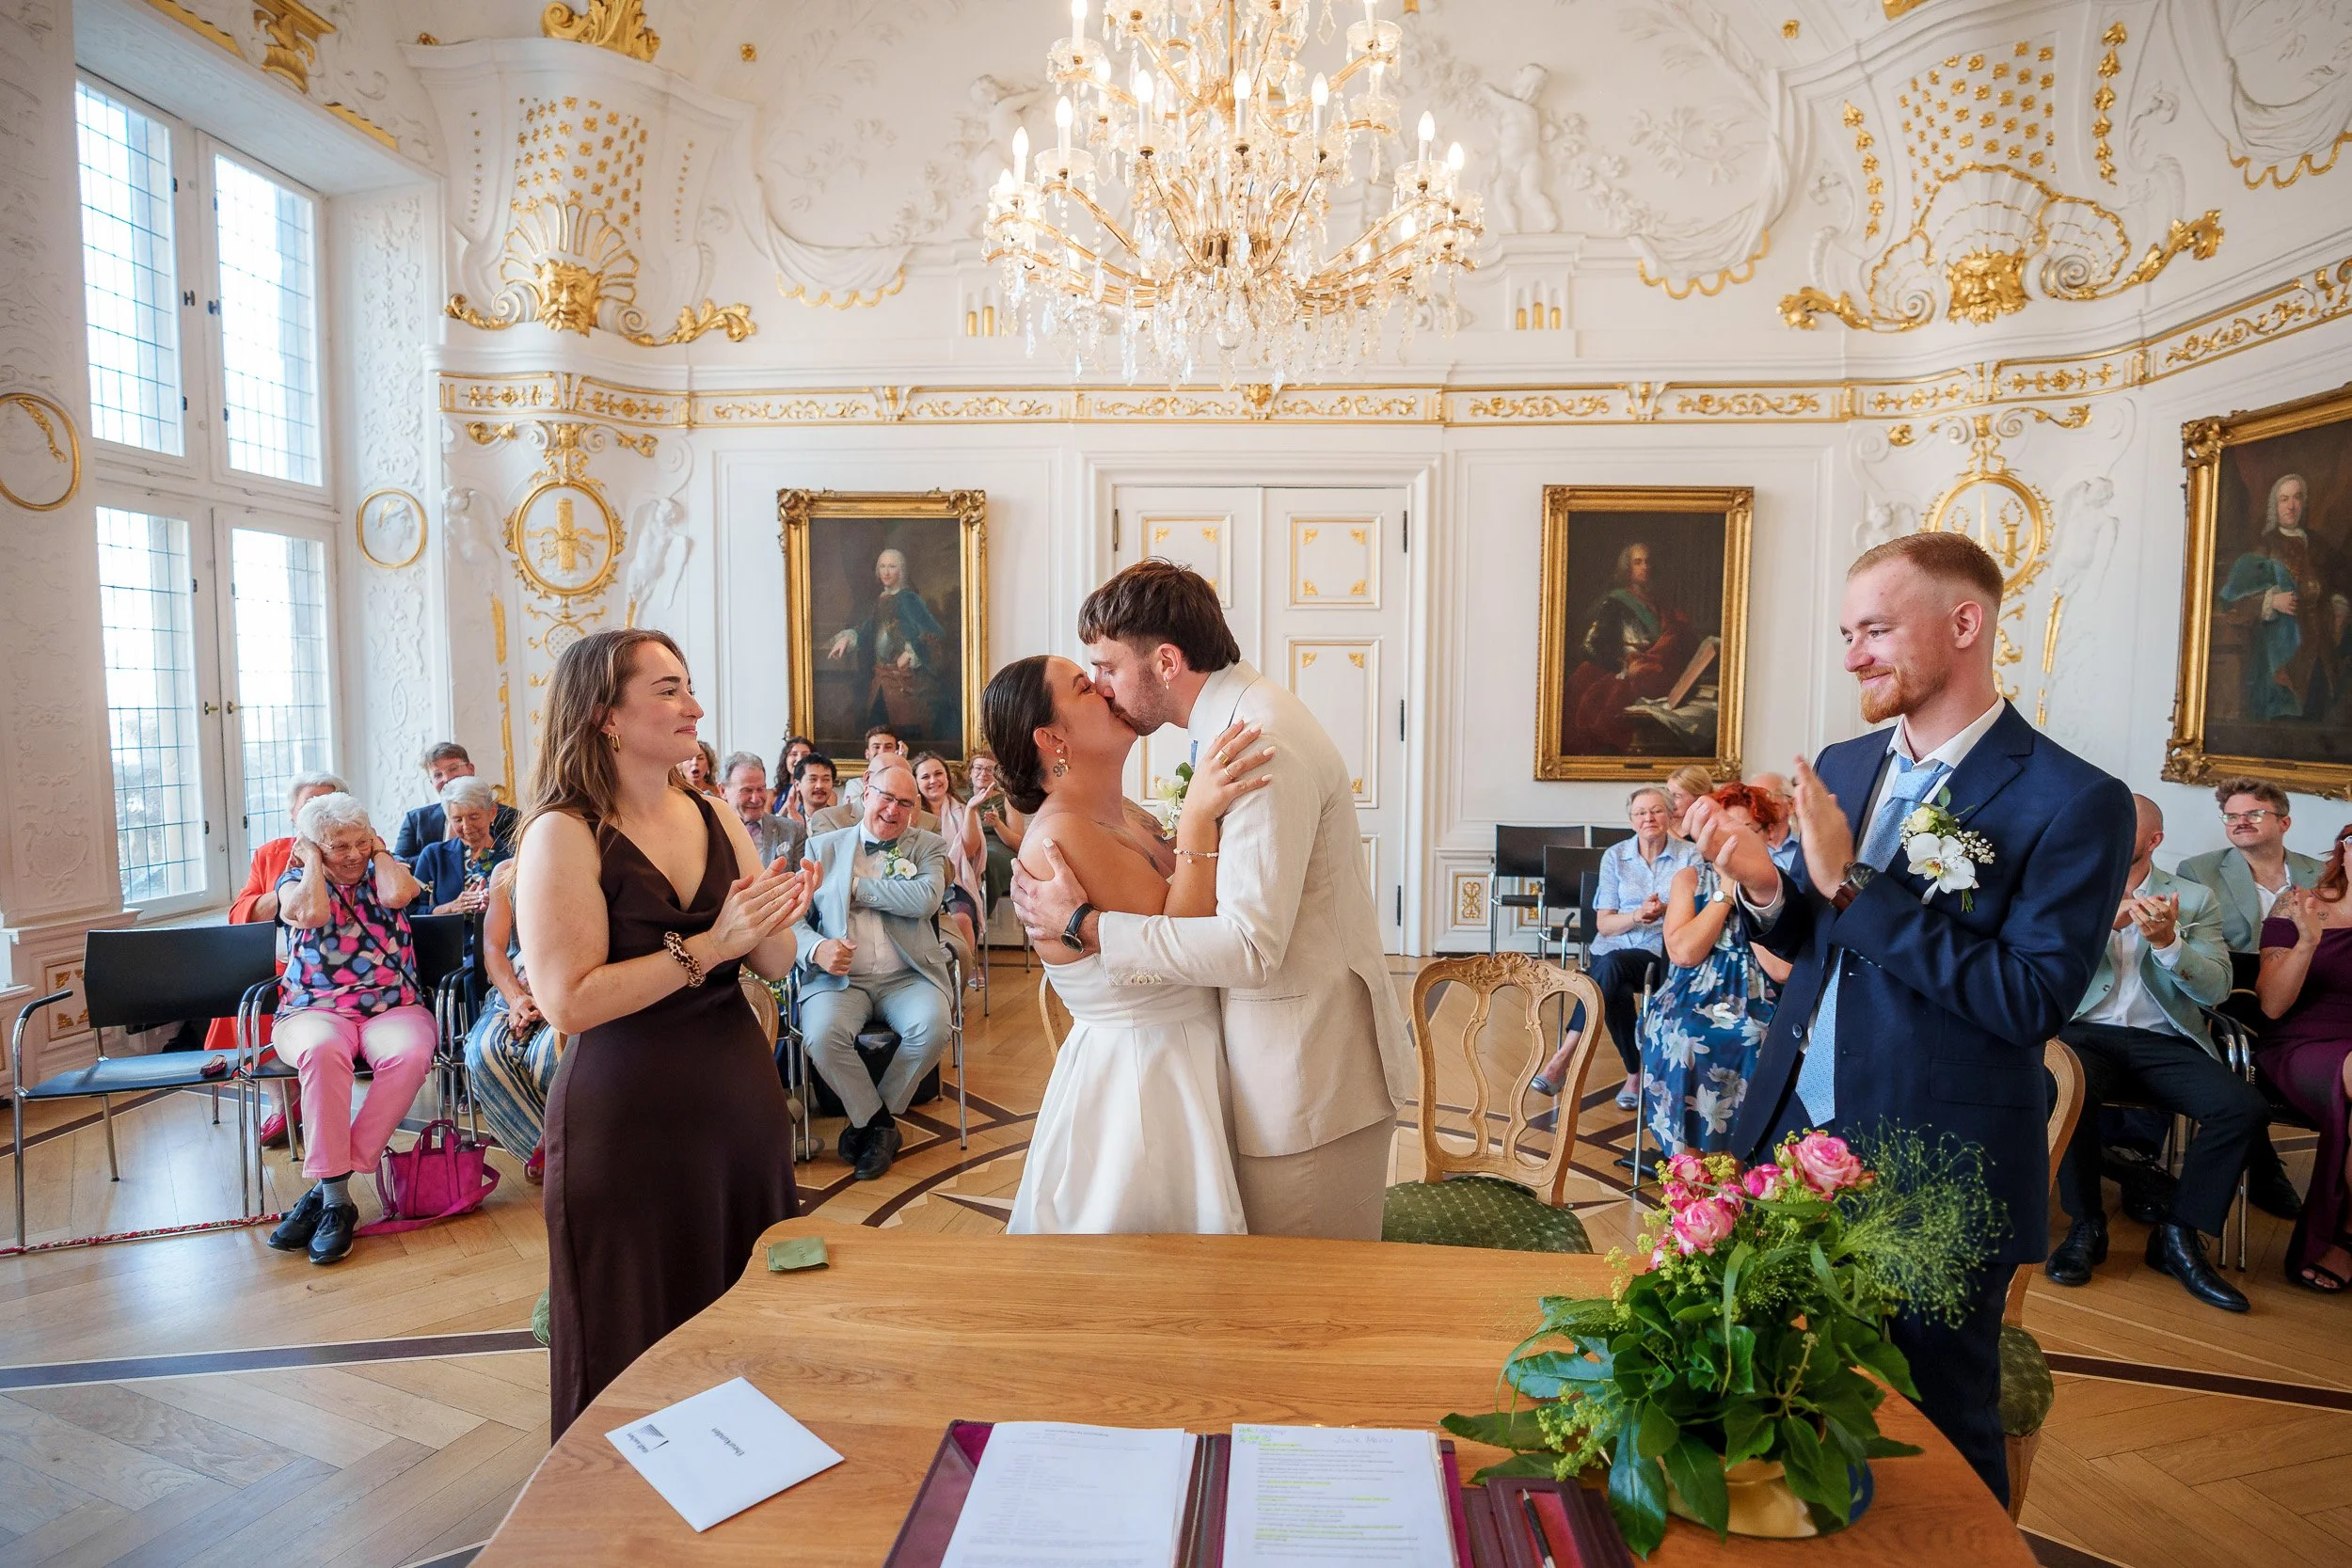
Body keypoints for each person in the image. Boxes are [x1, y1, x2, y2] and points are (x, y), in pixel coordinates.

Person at [1686, 531, 2134, 1507]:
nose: (1852, 656)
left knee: (1927, 1428)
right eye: (1848, 633)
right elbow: (1817, 942)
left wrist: (1849, 880)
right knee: (1771, 1390)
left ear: (1964, 622)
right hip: (1788, 1136)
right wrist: (1768, 889)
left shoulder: (2072, 799)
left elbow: (2029, 999)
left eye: (1875, 629)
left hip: (1937, 1165)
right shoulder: (1847, 762)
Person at [1012, 561, 1417, 1241]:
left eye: (1106, 667)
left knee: (1307, 1309)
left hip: (1307, 1080)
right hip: (1256, 1069)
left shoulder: (1257, 742)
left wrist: (1088, 924)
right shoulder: (1231, 724)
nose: (1105, 688)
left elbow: (1250, 947)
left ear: (1165, 661)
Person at [516, 627, 818, 1437]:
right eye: (669, 690)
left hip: (738, 1107)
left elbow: (776, 961)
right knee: (634, 1328)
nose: (695, 707)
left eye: (689, 687)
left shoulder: (716, 812)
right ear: (605, 715)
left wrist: (778, 916)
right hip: (629, 1119)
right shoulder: (562, 832)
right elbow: (569, 1001)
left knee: (742, 1312)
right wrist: (710, 945)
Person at [986, 656, 1269, 1232]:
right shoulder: (1059, 837)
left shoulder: (1126, 816)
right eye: (1085, 687)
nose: (1108, 691)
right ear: (1050, 737)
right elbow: (1181, 938)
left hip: (1186, 1054)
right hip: (1142, 1081)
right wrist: (1197, 820)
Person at [2046, 796, 2256, 1312]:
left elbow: (2216, 992)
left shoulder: (2195, 897)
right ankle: (2086, 1224)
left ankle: (2179, 1237)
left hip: (2165, 1041)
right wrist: (2098, 927)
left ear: (2153, 841)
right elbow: (2043, 969)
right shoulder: (2071, 887)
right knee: (2068, 1088)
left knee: (2242, 1108)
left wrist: (2168, 945)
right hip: (2084, 1035)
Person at [264, 792, 437, 1267]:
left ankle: (328, 1188)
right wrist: (314, 863)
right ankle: (338, 1201)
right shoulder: (294, 880)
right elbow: (312, 914)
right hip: (312, 1010)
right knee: (321, 1052)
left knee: (411, 1054)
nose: (354, 854)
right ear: (314, 848)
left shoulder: (388, 869)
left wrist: (378, 851)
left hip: (391, 1007)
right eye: (340, 846)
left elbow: (397, 896)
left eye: (361, 841)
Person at [789, 758, 953, 1181]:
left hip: (909, 976)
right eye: (886, 798)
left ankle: (870, 1120)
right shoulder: (823, 847)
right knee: (822, 1036)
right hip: (840, 980)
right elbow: (793, 916)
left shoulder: (927, 846)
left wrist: (854, 887)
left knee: (934, 1026)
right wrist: (818, 948)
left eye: (905, 803)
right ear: (866, 794)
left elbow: (924, 900)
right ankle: (880, 1126)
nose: (893, 810)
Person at [1640, 783, 1791, 1155]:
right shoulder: (1688, 878)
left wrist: (1752, 889)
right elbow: (1685, 953)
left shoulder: (1782, 885)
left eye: (1746, 833)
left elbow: (1780, 969)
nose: (1732, 845)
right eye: (1725, 834)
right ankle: (1688, 1161)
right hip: (1692, 989)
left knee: (1757, 1037)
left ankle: (1748, 1158)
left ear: (1767, 835)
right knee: (1685, 1037)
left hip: (1760, 992)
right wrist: (1727, 890)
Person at [201, 771, 348, 1131]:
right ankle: (282, 1101)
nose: (317, 812)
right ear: (293, 813)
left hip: (334, 961)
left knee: (288, 991)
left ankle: (303, 1106)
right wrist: (286, 888)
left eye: (326, 804)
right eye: (309, 804)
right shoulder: (271, 854)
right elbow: (240, 913)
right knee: (249, 993)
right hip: (280, 959)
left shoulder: (353, 849)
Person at [1534, 787, 1691, 1109]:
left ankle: (1564, 1055)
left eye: (1657, 811)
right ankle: (1635, 1074)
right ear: (1631, 820)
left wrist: (1665, 910)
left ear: (1670, 815)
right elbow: (1604, 925)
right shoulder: (1616, 856)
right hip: (1613, 948)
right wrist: (1636, 915)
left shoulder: (1689, 856)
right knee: (1611, 977)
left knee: (1608, 968)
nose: (1649, 818)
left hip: (1660, 953)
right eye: (1641, 813)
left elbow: (1694, 912)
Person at [2257, 826, 2352, 1292]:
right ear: (2344, 850)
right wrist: (2308, 943)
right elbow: (2272, 1005)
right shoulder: (2297, 904)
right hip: (2301, 1044)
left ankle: (2342, 1236)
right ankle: (2340, 1239)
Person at [2217, 473, 2348, 723]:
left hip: (2322, 650)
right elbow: (2232, 601)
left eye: (2297, 498)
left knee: (2318, 720)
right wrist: (2270, 602)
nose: (2291, 506)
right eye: (2284, 499)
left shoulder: (2319, 544)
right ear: (2274, 506)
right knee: (2285, 724)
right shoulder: (2264, 547)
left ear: (2304, 503)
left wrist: (2340, 603)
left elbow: (2340, 581)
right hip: (2281, 655)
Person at [462, 861, 559, 1184]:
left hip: (570, 990)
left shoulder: (597, 857)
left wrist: (555, 996)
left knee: (550, 1058)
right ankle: (550, 1154)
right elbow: (493, 947)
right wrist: (516, 998)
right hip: (512, 991)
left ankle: (565, 1154)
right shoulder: (507, 871)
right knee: (483, 1052)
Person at [1563, 541, 1697, 754]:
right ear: (1628, 568)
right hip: (1627, 678)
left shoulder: (1659, 604)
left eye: (1648, 562)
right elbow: (1588, 647)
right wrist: (1623, 667)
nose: (1645, 567)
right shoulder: (1615, 603)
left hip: (1655, 677)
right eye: (1638, 562)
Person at [2180, 777, 2326, 965]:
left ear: (2284, 823)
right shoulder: (2197, 871)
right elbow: (2196, 946)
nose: (2241, 822)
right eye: (2231, 817)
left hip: (2309, 975)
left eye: (2254, 814)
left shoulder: (2322, 873)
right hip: (2234, 980)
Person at [825, 549, 950, 739]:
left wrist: (911, 653)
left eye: (892, 566)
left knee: (906, 737)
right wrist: (847, 639)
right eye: (882, 566)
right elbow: (866, 631)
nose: (886, 572)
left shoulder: (910, 600)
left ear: (901, 571)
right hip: (881, 682)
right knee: (877, 735)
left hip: (906, 685)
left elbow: (935, 633)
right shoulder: (881, 601)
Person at [913, 750, 985, 974]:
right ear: (915, 782)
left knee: (961, 918)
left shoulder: (962, 809)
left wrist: (972, 810)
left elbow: (970, 851)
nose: (933, 781)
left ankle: (966, 970)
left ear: (947, 777)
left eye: (938, 774)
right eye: (925, 777)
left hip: (955, 882)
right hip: (917, 882)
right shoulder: (908, 812)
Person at [391, 742, 518, 860]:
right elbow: (398, 864)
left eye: (453, 768)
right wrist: (441, 859)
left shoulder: (509, 817)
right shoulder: (415, 820)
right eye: (437, 775)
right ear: (432, 783)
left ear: (471, 769)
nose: (446, 778)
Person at [409, 776, 509, 916]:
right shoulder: (433, 855)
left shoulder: (512, 856)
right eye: (457, 820)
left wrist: (497, 906)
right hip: (448, 937)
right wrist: (450, 908)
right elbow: (411, 912)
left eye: (473, 817)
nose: (466, 826)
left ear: (491, 812)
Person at [722, 752, 801, 866]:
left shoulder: (792, 831)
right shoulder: (710, 833)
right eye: (747, 790)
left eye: (761, 789)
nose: (756, 799)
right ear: (723, 791)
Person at [838, 725, 905, 816]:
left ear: (896, 752)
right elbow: (856, 816)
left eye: (888, 747)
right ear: (867, 754)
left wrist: (901, 766)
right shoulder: (855, 785)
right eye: (876, 747)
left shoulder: (905, 783)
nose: (882, 752)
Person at [1751, 770, 1801, 873]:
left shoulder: (1806, 848)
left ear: (1791, 805)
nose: (1756, 805)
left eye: (1766, 796)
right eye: (1750, 798)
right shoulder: (1742, 847)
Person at [1664, 765, 1714, 840]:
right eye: (1667, 793)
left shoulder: (1710, 827)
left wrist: (1662, 827)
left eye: (1677, 796)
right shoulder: (1667, 821)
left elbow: (1692, 850)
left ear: (1698, 798)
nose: (1669, 800)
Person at [771, 736, 816, 813]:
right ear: (785, 759)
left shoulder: (827, 794)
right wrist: (789, 801)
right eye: (794, 754)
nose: (799, 759)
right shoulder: (770, 794)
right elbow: (767, 824)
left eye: (805, 755)